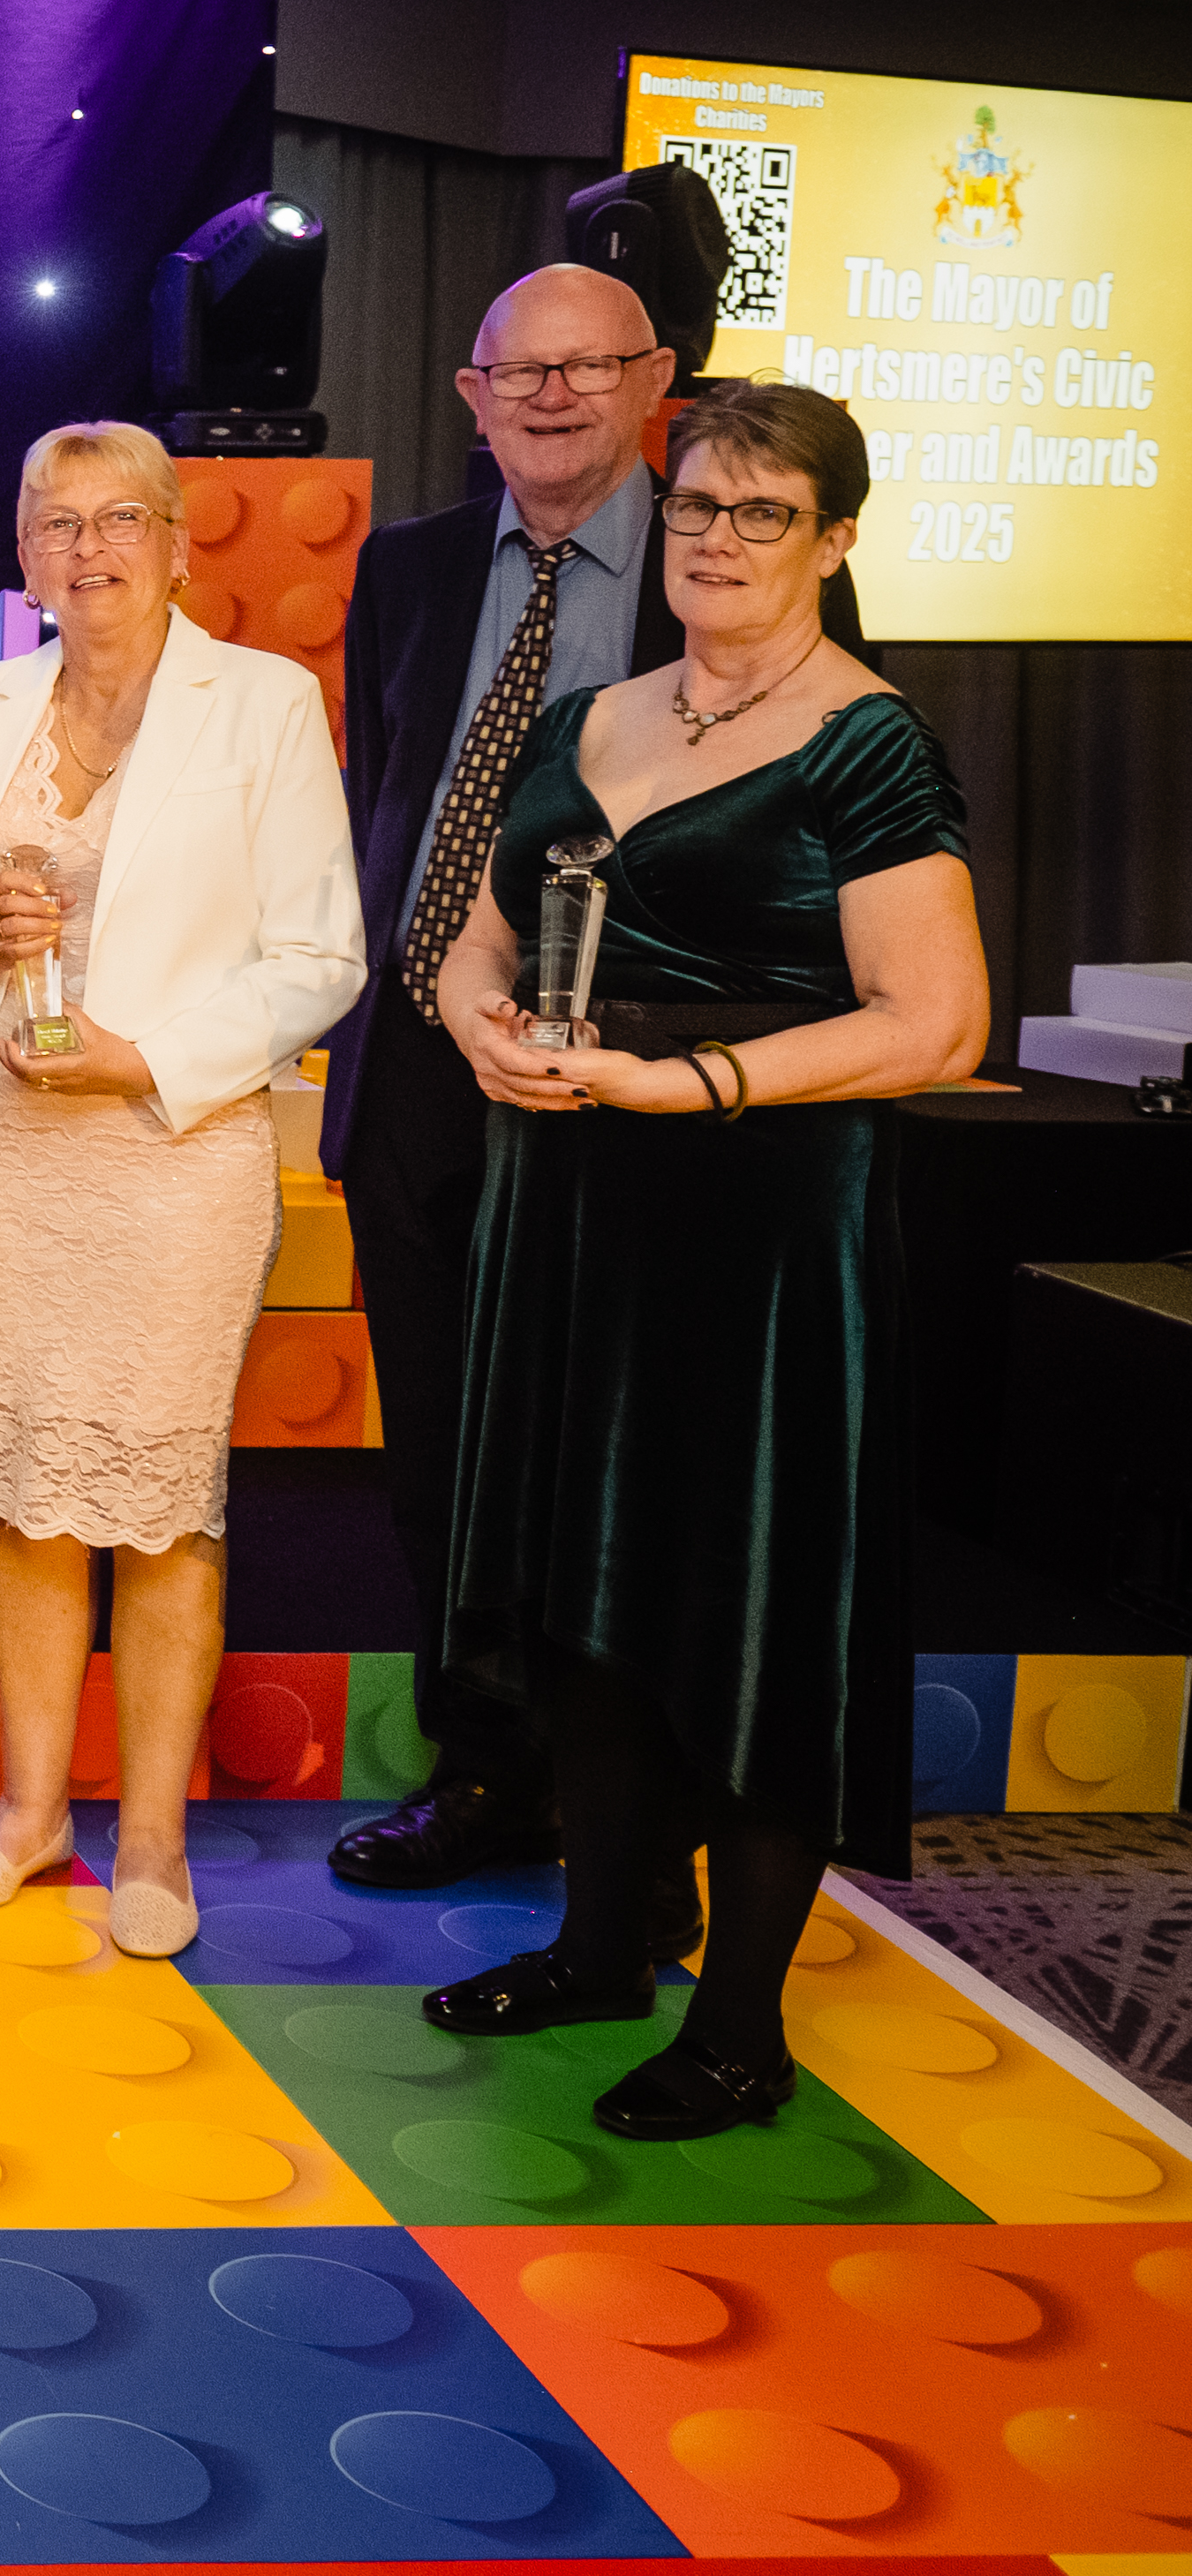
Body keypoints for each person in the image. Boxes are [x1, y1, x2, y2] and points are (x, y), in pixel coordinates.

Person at [413, 380, 982, 2140]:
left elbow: (936, 1021)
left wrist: (692, 1083)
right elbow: (476, 939)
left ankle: (740, 2032)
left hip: (763, 1235)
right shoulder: (587, 713)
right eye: (698, 508)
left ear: (836, 539)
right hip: (573, 1206)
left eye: (763, 513)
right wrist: (479, 1024)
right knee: (584, 1581)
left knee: (751, 1605)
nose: (718, 539)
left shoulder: (870, 743)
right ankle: (599, 1947)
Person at [323, 263, 861, 1932]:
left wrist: (669, 1061)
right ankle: (485, 1770)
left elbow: (810, 848)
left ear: (656, 383)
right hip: (420, 1069)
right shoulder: (408, 567)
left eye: (590, 366)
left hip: (631, 1091)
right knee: (442, 1453)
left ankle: (625, 1814)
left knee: (614, 1462)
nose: (552, 396)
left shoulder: (727, 574)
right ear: (472, 397)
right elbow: (393, 798)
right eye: (521, 372)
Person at [0, 424, 364, 1953]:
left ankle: (151, 1839)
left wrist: (143, 1060)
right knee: (22, 1491)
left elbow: (322, 957)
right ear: (23, 553)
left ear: (176, 544)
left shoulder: (263, 703)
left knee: (159, 1503)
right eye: (57, 524)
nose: (88, 551)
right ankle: (29, 1815)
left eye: (119, 521)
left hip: (173, 1148)